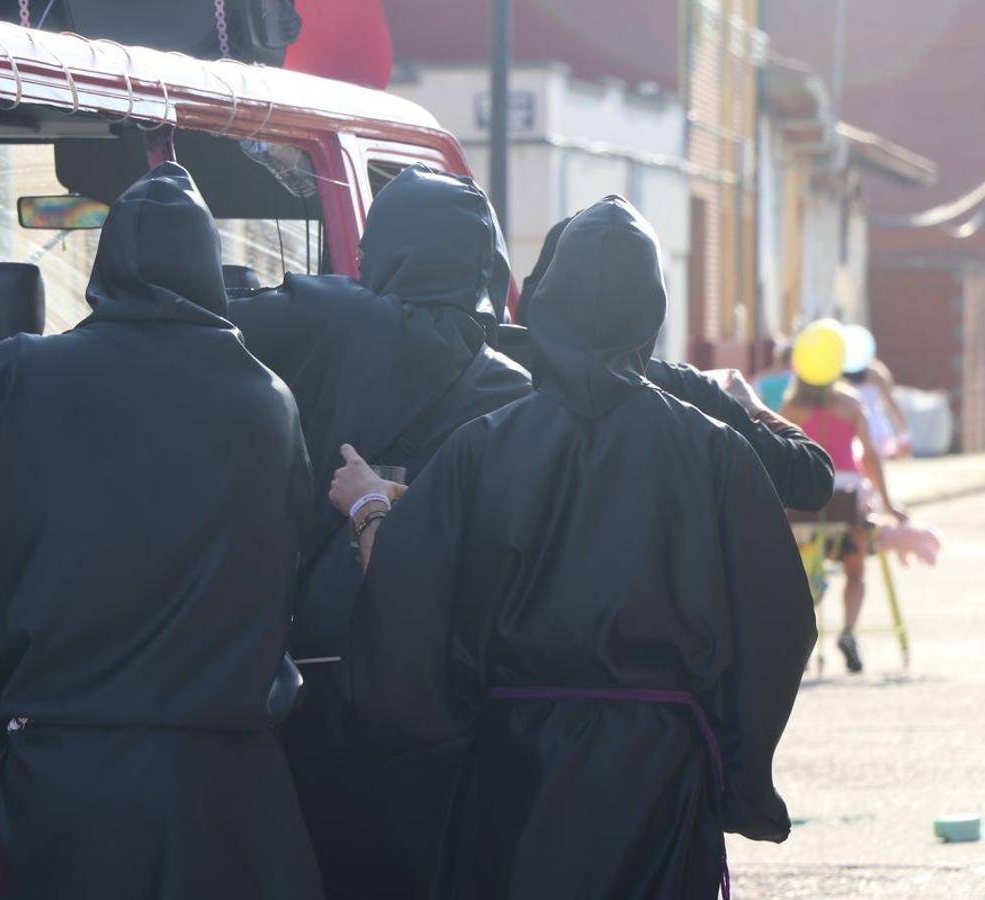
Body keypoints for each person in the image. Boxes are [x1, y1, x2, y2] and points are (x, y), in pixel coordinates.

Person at [0, 163, 323, 900]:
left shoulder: (13, 378)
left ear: (104, 270)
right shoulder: (270, 401)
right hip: (229, 782)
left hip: (74, 775)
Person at [330, 196, 816, 899]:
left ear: (546, 305)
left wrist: (372, 511)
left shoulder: (482, 448)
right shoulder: (717, 454)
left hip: (516, 767)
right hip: (664, 770)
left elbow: (409, 608)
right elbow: (777, 624)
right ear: (650, 311)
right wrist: (739, 774)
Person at [228, 163, 532, 899]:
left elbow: (186, 319)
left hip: (317, 664)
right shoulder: (517, 386)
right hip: (450, 689)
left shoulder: (333, 318)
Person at [517, 214, 834, 513]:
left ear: (543, 296)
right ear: (649, 305)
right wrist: (754, 409)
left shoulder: (495, 396)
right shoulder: (687, 395)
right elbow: (812, 478)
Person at [781, 373, 907, 674]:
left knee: (800, 579)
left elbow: (781, 454)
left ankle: (801, 641)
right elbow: (871, 456)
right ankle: (849, 631)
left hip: (806, 501)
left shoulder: (790, 407)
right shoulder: (851, 403)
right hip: (849, 499)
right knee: (856, 571)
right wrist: (888, 503)